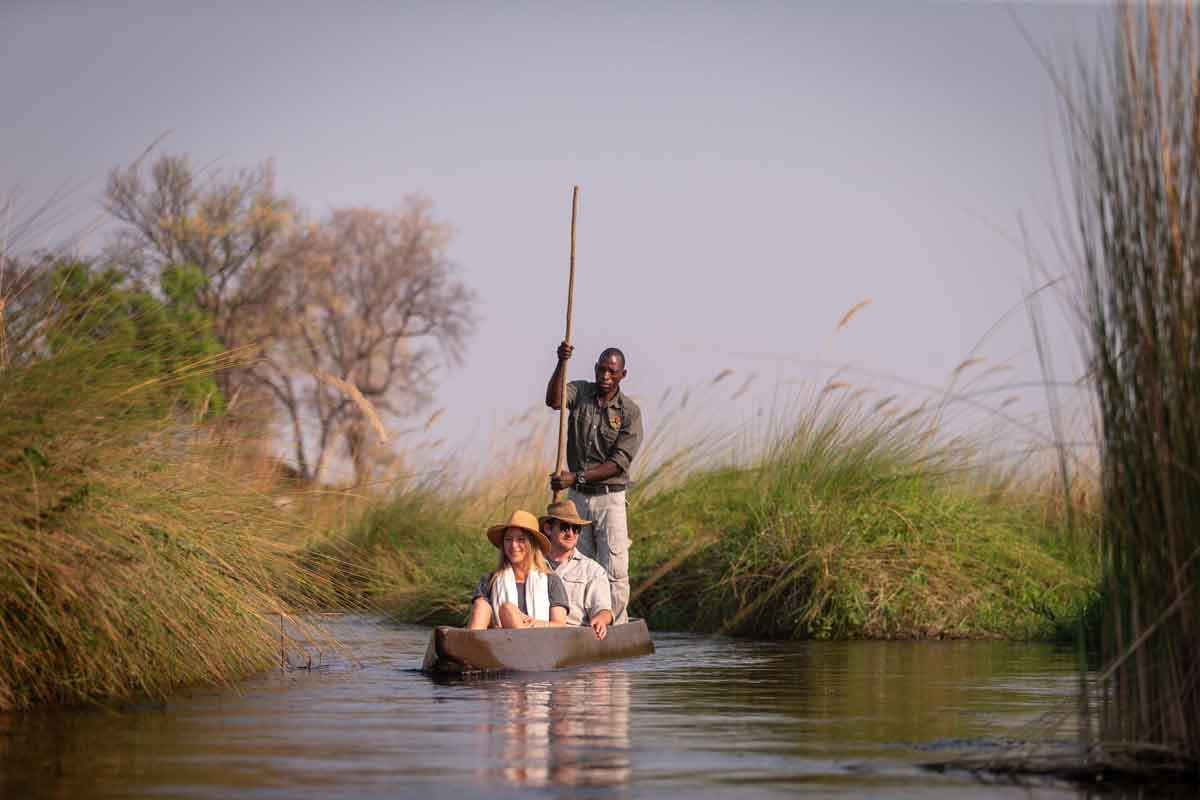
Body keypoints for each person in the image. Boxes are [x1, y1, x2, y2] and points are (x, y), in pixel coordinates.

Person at [545, 342, 644, 624]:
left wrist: (573, 477)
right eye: (601, 369)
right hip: (577, 498)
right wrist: (561, 362)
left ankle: (614, 624)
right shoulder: (581, 392)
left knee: (614, 568)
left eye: (612, 371)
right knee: (577, 564)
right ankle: (577, 625)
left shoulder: (629, 412)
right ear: (595, 369)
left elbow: (618, 463)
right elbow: (554, 401)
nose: (605, 376)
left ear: (623, 374)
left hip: (610, 498)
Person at [468, 509, 569, 629]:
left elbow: (559, 625)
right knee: (483, 605)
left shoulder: (551, 580)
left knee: (508, 610)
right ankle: (470, 646)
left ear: (532, 544)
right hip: (499, 641)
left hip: (539, 642)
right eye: (508, 539)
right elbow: (481, 617)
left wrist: (533, 622)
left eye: (521, 539)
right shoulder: (489, 580)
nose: (513, 545)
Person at [540, 499, 614, 640]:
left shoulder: (593, 570)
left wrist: (601, 619)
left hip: (574, 640)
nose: (571, 533)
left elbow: (604, 610)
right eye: (564, 527)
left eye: (576, 528)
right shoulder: (531, 565)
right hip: (536, 636)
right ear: (548, 529)